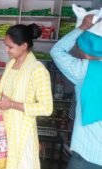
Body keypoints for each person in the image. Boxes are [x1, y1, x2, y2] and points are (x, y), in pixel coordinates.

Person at [0, 24, 53, 169]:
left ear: (24, 46)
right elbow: (5, 97)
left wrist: (12, 105)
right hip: (2, 129)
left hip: (22, 133)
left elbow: (46, 108)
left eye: (10, 47)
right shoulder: (10, 65)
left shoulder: (38, 70)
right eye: (6, 46)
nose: (6, 50)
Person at [50, 14, 102, 169]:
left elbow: (57, 51)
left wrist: (82, 27)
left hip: (87, 155)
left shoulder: (84, 71)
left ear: (84, 52)